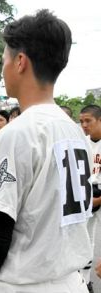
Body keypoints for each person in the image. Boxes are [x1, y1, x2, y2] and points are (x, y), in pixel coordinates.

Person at [0, 10, 93, 293]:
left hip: (23, 282)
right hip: (70, 281)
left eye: (4, 60)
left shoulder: (17, 133)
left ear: (20, 62)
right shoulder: (74, 130)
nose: (2, 69)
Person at [79, 105, 101, 293]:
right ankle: (85, 282)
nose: (84, 125)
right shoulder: (81, 142)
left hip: (99, 196)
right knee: (86, 239)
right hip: (87, 196)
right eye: (81, 121)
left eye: (89, 121)